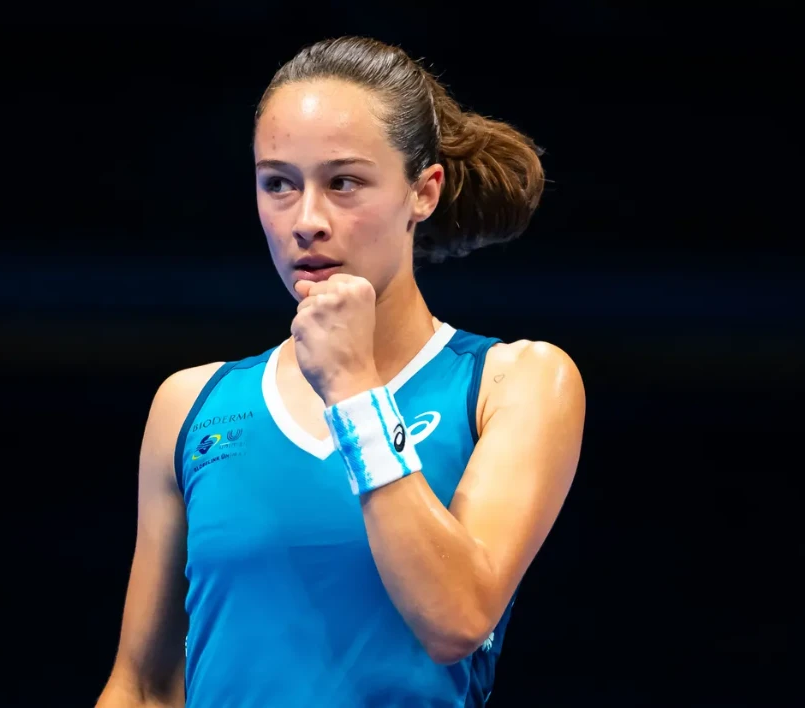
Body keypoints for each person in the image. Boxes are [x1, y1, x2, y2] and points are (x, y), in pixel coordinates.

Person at [96, 36, 586, 707]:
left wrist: (353, 389)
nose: (306, 222)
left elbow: (458, 619)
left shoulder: (514, 382)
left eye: (344, 182)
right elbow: (144, 689)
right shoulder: (191, 403)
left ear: (423, 191)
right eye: (278, 184)